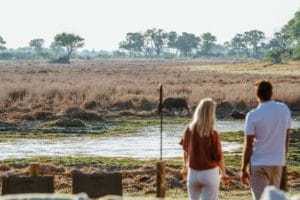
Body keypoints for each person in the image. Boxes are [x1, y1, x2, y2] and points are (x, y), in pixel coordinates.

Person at [241, 80, 291, 200]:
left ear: (257, 95)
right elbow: (286, 137)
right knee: (276, 197)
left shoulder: (253, 115)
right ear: (271, 93)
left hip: (259, 163)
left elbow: (248, 144)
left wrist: (243, 168)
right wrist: (282, 157)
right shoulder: (284, 109)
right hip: (277, 162)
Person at [179, 98, 228, 200]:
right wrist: (223, 173)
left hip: (193, 173)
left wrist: (185, 167)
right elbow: (219, 157)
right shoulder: (213, 133)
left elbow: (185, 151)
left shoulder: (188, 130)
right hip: (209, 173)